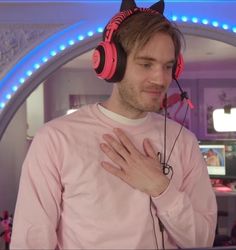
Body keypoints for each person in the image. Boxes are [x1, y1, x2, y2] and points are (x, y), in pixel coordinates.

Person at [10, 0, 217, 249]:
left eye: (168, 67)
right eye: (146, 64)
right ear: (112, 64)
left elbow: (202, 240)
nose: (161, 78)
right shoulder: (55, 139)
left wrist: (161, 188)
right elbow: (31, 243)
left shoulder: (184, 142)